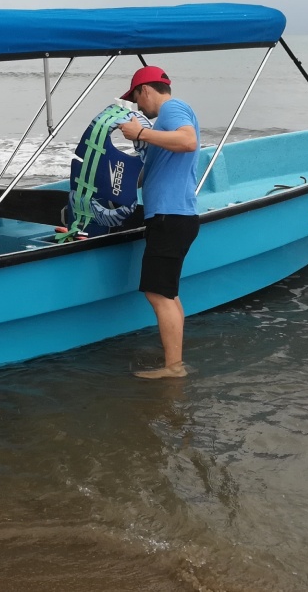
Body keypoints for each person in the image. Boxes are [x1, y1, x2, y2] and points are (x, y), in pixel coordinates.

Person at [116, 66, 202, 380]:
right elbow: (144, 176)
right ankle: (174, 361)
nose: (139, 108)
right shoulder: (164, 123)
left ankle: (173, 368)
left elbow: (188, 140)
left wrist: (140, 133)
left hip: (171, 216)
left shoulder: (172, 109)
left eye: (137, 99)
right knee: (167, 293)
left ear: (146, 91)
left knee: (158, 294)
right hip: (175, 216)